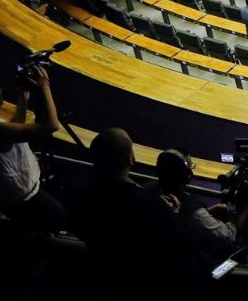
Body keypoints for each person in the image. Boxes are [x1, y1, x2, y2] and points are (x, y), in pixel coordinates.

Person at [68, 128, 205, 301]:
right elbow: (183, 243)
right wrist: (175, 214)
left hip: (109, 280)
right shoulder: (150, 204)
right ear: (131, 159)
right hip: (148, 287)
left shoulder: (79, 195)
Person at [0, 70, 66, 231]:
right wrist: (44, 87)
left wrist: (22, 100)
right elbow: (51, 125)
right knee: (60, 217)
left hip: (2, 197)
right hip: (24, 200)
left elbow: (12, 131)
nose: (2, 92)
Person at [153, 148, 248, 267]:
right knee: (241, 254)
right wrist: (247, 200)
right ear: (185, 175)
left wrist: (207, 213)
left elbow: (182, 220)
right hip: (193, 267)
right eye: (189, 168)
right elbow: (226, 235)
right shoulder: (189, 207)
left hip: (162, 256)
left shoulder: (149, 190)